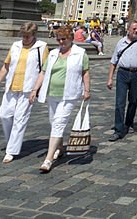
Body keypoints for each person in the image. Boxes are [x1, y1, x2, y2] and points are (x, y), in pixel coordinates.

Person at [32, 25, 90, 172]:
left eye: (63, 39)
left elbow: (85, 72)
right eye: (58, 39)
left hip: (69, 95)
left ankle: (49, 159)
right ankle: (59, 147)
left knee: (58, 123)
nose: (61, 42)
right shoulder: (52, 54)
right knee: (53, 122)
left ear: (71, 38)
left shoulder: (80, 53)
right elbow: (43, 72)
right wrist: (35, 89)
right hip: (52, 93)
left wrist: (87, 90)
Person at [0, 22, 47, 163]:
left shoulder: (41, 47)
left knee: (20, 119)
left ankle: (11, 151)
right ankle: (12, 141)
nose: (25, 39)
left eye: (27, 36)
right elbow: (6, 66)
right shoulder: (15, 46)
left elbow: (44, 70)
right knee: (4, 114)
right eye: (23, 36)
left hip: (28, 89)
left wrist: (36, 89)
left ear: (34, 35)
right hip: (12, 86)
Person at [106, 21, 137, 141]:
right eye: (134, 29)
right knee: (120, 102)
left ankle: (129, 123)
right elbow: (113, 62)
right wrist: (110, 78)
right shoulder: (121, 43)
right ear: (128, 30)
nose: (136, 31)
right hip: (123, 73)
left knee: (133, 101)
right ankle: (118, 130)